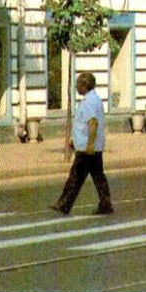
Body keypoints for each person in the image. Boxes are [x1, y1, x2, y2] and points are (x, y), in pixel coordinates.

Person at [50, 71, 114, 215]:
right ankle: (105, 203)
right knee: (98, 176)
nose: (76, 87)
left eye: (78, 84)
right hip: (91, 146)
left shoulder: (89, 102)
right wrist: (75, 141)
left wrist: (89, 145)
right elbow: (83, 124)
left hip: (88, 148)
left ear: (85, 85)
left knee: (75, 176)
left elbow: (92, 123)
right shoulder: (93, 99)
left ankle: (64, 204)